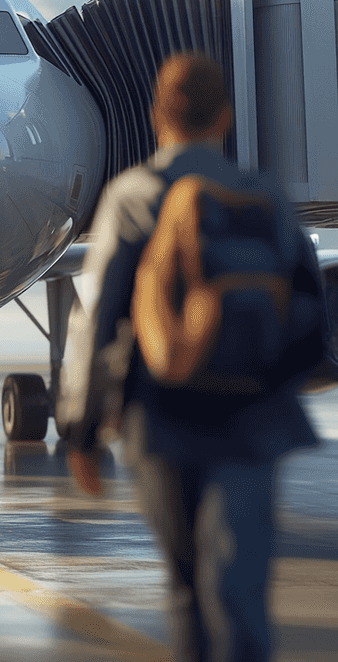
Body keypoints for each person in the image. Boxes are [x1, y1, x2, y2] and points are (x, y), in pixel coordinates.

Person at [62, 52, 323, 662]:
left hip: (162, 421)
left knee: (186, 590)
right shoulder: (264, 196)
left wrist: (81, 427)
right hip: (254, 423)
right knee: (241, 591)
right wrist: (273, 386)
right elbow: (311, 311)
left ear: (157, 116)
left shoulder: (133, 197)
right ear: (225, 116)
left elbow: (96, 319)